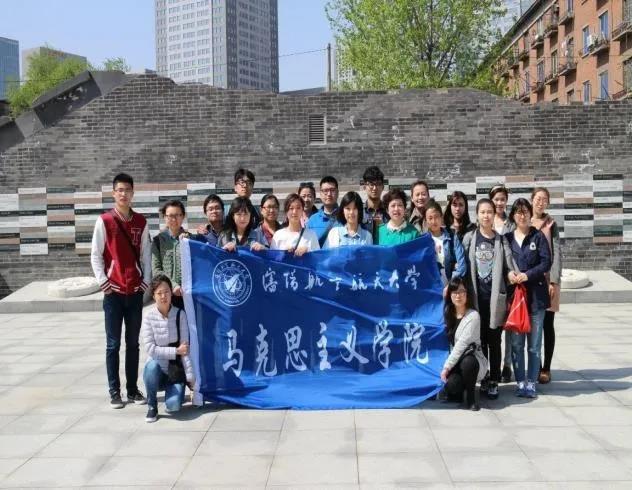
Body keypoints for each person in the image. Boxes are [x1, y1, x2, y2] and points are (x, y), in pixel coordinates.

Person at [90, 173, 150, 409]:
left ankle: (133, 389)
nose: (124, 194)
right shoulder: (105, 220)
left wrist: (145, 282)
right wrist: (104, 282)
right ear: (114, 193)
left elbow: (146, 254)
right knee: (113, 344)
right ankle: (114, 391)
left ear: (133, 193)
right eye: (120, 190)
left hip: (134, 291)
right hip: (113, 293)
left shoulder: (141, 222)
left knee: (133, 343)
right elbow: (95, 254)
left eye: (127, 190)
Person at [462, 199, 514, 400]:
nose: (486, 215)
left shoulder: (501, 240)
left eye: (489, 212)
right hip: (476, 299)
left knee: (494, 341)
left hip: (495, 301)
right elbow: (462, 264)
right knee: (480, 341)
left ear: (494, 214)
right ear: (477, 214)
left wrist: (512, 274)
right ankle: (483, 377)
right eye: (482, 212)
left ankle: (494, 380)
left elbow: (509, 265)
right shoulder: (470, 238)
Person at [506, 198, 552, 399]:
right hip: (516, 300)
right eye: (518, 212)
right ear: (513, 215)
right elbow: (503, 263)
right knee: (517, 344)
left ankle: (531, 382)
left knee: (534, 345)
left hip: (536, 298)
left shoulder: (538, 236)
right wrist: (509, 274)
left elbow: (546, 262)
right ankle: (520, 381)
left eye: (525, 211)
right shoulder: (507, 239)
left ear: (530, 214)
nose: (522, 215)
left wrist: (528, 275)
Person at [141, 274, 194, 423]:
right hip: (157, 370)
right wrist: (175, 351)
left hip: (174, 370)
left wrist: (191, 380)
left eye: (166, 292)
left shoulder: (180, 314)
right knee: (151, 367)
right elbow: (151, 349)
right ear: (153, 295)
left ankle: (174, 393)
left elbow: (185, 350)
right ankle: (152, 406)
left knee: (173, 406)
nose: (163, 296)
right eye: (159, 293)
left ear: (171, 293)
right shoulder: (148, 316)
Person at [440, 277, 487, 411]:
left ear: (467, 293)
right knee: (452, 385)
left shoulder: (473, 316)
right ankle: (458, 393)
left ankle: (471, 399)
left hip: (471, 358)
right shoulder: (447, 313)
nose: (458, 295)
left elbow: (462, 345)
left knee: (468, 363)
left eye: (461, 291)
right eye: (454, 292)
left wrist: (446, 368)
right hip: (455, 362)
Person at [531, 187, 562, 384]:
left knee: (548, 325)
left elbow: (557, 252)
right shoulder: (524, 220)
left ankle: (546, 368)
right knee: (534, 325)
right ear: (532, 200)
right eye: (538, 198)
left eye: (544, 199)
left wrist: (554, 281)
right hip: (531, 280)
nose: (541, 202)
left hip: (548, 280)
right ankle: (536, 365)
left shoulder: (551, 223)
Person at [489, 184, 515, 383]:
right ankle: (492, 367)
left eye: (502, 199)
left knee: (509, 326)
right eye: (496, 199)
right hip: (489, 281)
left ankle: (507, 364)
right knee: (493, 327)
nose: (499, 203)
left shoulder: (511, 224)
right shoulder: (485, 219)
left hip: (508, 280)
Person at [151, 200, 187, 309]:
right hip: (166, 296)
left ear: (183, 216)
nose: (174, 219)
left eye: (177, 215)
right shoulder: (157, 241)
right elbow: (156, 270)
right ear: (164, 217)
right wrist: (173, 285)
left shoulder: (190, 239)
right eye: (170, 216)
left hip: (187, 295)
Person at [424, 199, 466, 287]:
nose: (434, 221)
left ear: (441, 217)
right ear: (426, 220)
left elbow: (462, 265)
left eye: (436, 217)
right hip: (432, 287)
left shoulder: (452, 237)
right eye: (430, 218)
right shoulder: (423, 241)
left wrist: (450, 285)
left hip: (450, 286)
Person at [307, 176, 339, 246]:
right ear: (320, 194)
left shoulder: (345, 217)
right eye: (325, 191)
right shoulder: (312, 220)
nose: (329, 194)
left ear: (337, 192)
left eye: (332, 190)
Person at [361, 166, 389, 241]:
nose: (374, 188)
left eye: (378, 184)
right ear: (364, 187)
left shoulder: (389, 211)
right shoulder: (359, 211)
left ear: (383, 187)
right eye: (371, 184)